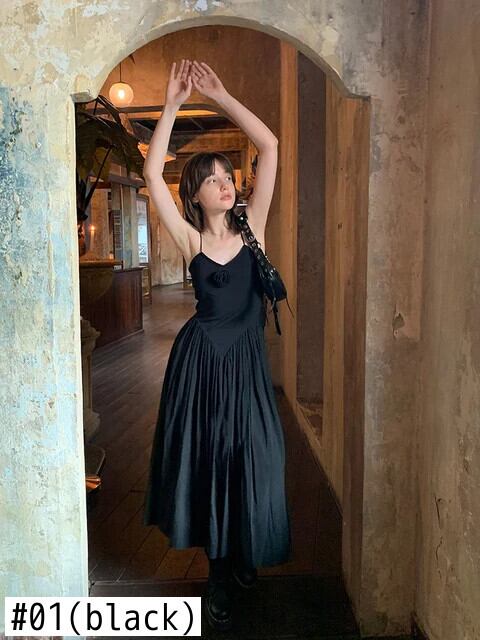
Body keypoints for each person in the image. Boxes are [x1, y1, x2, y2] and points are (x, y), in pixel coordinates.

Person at [142, 59, 292, 631]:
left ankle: (245, 549)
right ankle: (219, 571)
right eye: (211, 179)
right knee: (212, 462)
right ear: (195, 195)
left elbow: (270, 145)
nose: (225, 183)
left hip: (247, 364)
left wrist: (222, 95)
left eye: (228, 174)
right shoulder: (189, 239)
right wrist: (172, 105)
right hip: (201, 364)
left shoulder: (255, 226)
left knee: (257, 456)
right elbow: (152, 171)